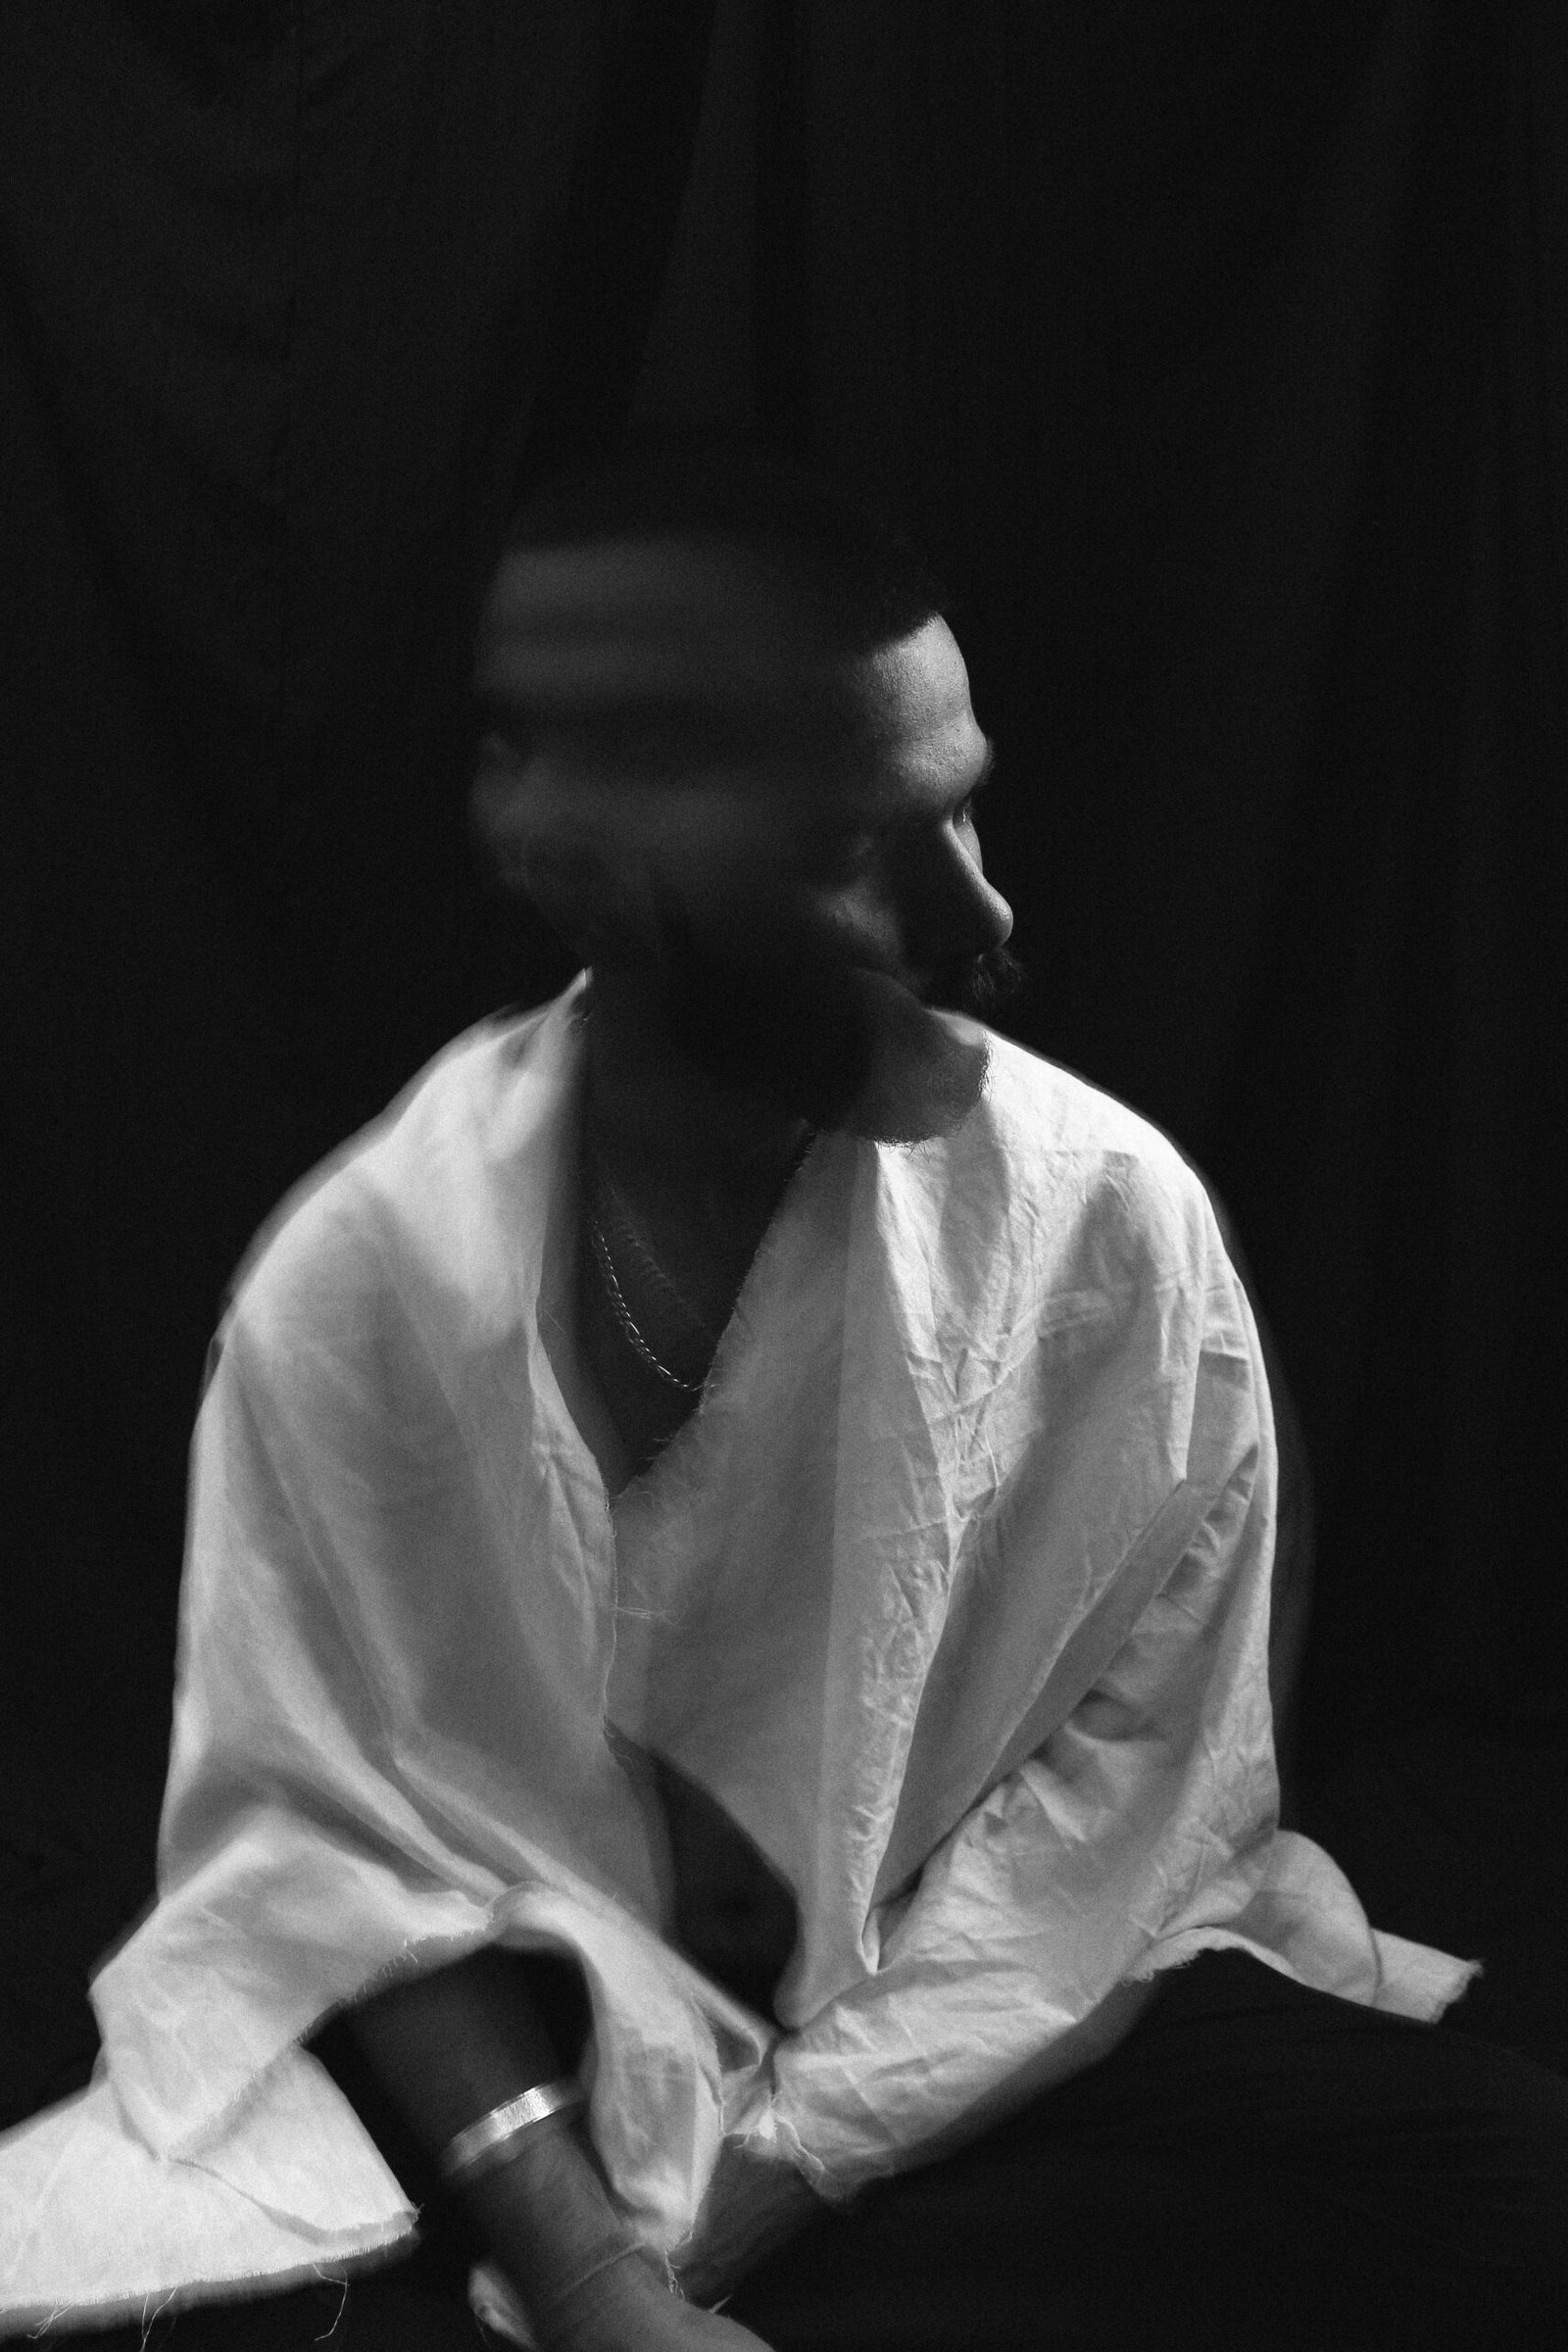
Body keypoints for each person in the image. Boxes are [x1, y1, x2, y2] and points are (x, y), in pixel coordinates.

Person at [1, 439, 1562, 2352]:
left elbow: (1128, 1798)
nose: (977, 920)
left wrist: (787, 2161)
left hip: (979, 2025)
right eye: (853, 853)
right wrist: (588, 2279)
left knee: (1502, 2195)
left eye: (963, 815)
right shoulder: (371, 1286)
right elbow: (334, 1853)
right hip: (538, 2094)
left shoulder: (1100, 1221)